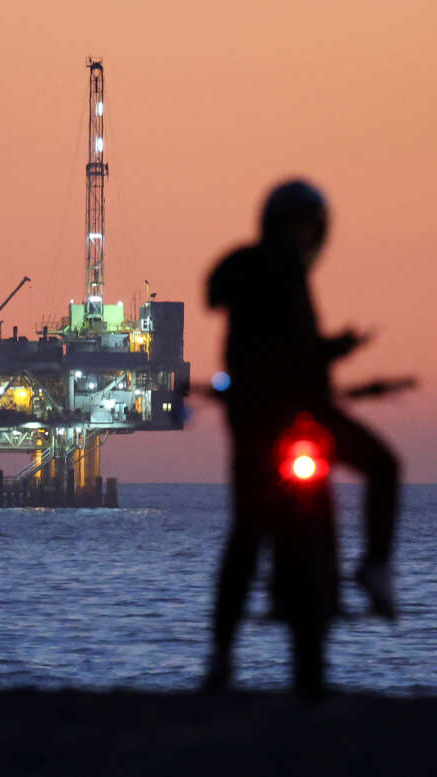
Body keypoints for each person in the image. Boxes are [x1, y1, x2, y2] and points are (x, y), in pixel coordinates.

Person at [203, 180, 399, 692]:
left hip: (277, 420)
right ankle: (374, 568)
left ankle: (221, 653)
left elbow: (275, 342)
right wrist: (335, 351)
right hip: (280, 419)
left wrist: (332, 348)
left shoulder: (244, 268)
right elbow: (294, 353)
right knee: (382, 468)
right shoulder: (282, 273)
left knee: (247, 532)